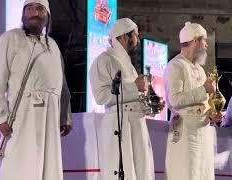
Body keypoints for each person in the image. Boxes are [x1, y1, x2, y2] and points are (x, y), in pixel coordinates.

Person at [0, 0, 72, 179]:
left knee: (49, 168)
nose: (34, 13)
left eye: (40, 9)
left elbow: (62, 85)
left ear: (47, 16)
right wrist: (0, 116)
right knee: (21, 165)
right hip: (22, 114)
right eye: (29, 9)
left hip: (50, 116)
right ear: (23, 14)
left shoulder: (53, 45)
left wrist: (64, 115)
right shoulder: (10, 38)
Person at [89, 18, 154, 180]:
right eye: (136, 36)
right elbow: (102, 96)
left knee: (141, 172)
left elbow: (131, 95)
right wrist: (134, 87)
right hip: (118, 126)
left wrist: (148, 105)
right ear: (125, 36)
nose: (138, 40)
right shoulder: (103, 60)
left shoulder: (128, 64)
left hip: (137, 124)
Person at [163, 22, 219, 180]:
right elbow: (174, 100)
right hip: (185, 133)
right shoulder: (175, 66)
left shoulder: (200, 69)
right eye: (205, 40)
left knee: (204, 174)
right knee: (187, 174)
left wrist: (211, 113)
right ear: (195, 41)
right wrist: (204, 90)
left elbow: (204, 101)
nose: (206, 45)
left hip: (203, 130)